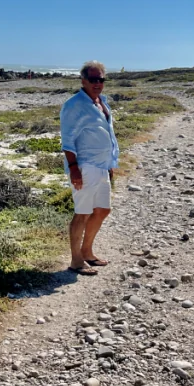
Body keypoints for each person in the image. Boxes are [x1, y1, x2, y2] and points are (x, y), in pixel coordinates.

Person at [59, 60, 119, 275]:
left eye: (101, 79)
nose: (97, 83)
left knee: (103, 210)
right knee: (82, 213)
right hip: (85, 166)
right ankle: (76, 261)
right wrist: (74, 168)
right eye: (93, 79)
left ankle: (87, 252)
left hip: (102, 165)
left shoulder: (101, 102)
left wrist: (110, 163)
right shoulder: (74, 105)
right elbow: (67, 139)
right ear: (83, 80)